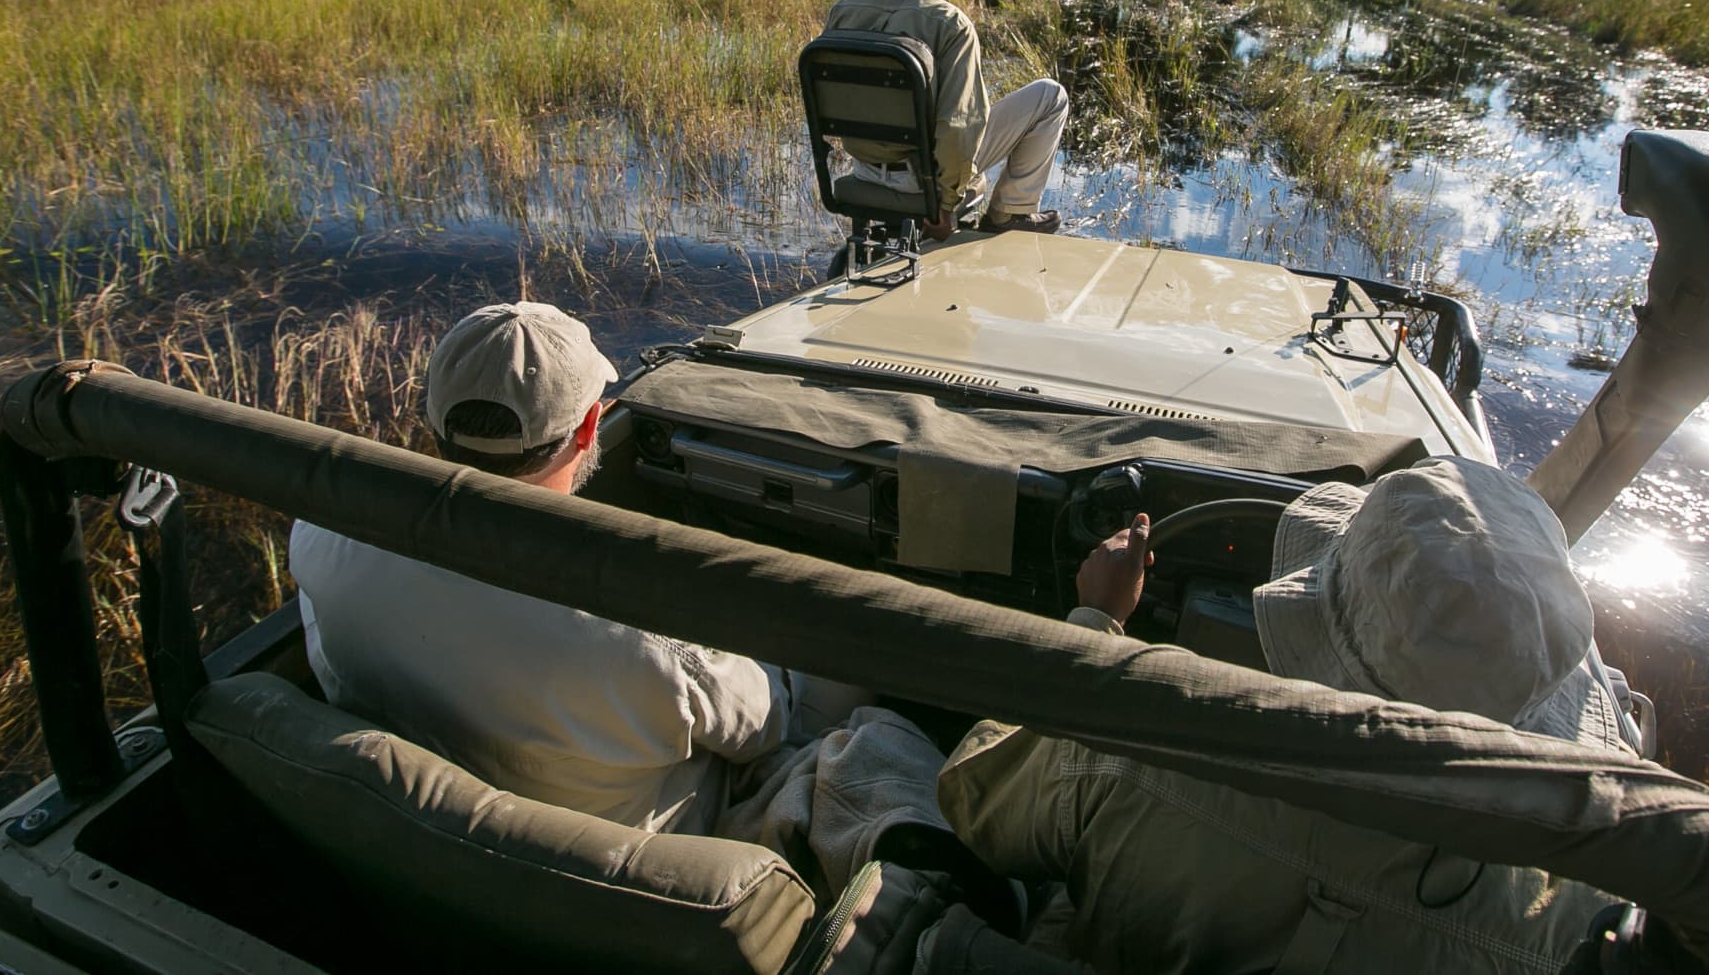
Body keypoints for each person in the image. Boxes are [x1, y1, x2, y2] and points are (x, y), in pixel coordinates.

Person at [936, 457, 1637, 975]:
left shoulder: (1133, 754)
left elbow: (974, 801)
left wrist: (1096, 629)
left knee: (868, 741)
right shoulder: (1569, 926)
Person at [288, 301, 799, 835]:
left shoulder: (323, 535)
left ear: (434, 419)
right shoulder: (650, 628)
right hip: (629, 865)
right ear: (590, 427)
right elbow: (769, 725)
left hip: (412, 833)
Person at [826, 0, 1069, 237]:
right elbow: (959, 126)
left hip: (863, 170)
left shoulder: (843, 10)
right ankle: (1011, 213)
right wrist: (946, 204)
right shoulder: (951, 24)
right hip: (921, 179)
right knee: (1051, 95)